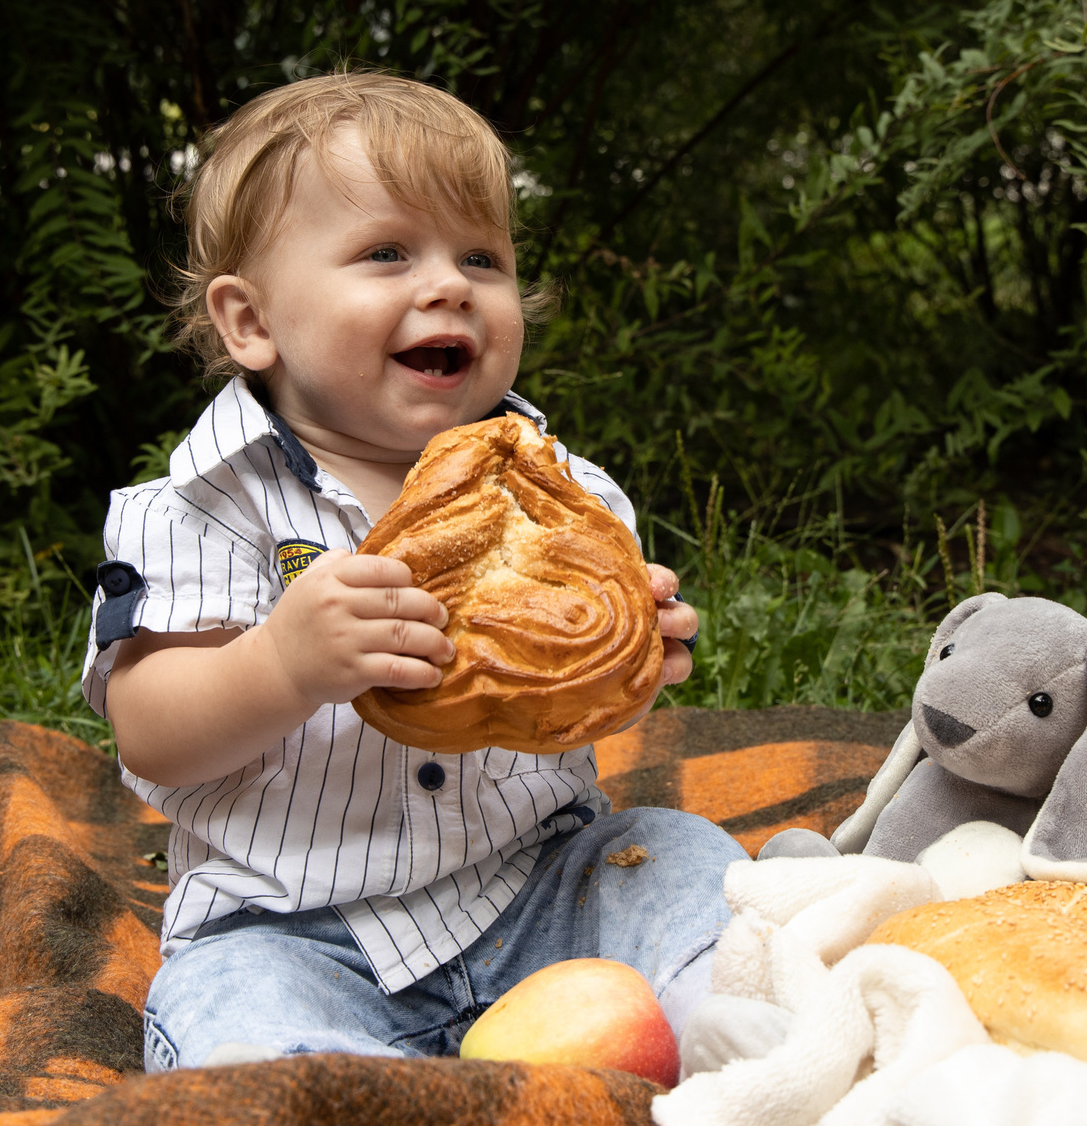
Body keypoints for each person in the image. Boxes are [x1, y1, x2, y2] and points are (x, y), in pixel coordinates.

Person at [82, 71, 742, 1071]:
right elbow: (152, 731)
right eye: (387, 252)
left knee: (681, 862)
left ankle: (753, 1039)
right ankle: (338, 1105)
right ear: (249, 322)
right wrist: (283, 665)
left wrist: (630, 655)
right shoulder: (198, 507)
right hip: (297, 926)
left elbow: (571, 704)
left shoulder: (564, 497)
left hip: (537, 888)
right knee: (233, 1009)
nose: (448, 285)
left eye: (481, 256)